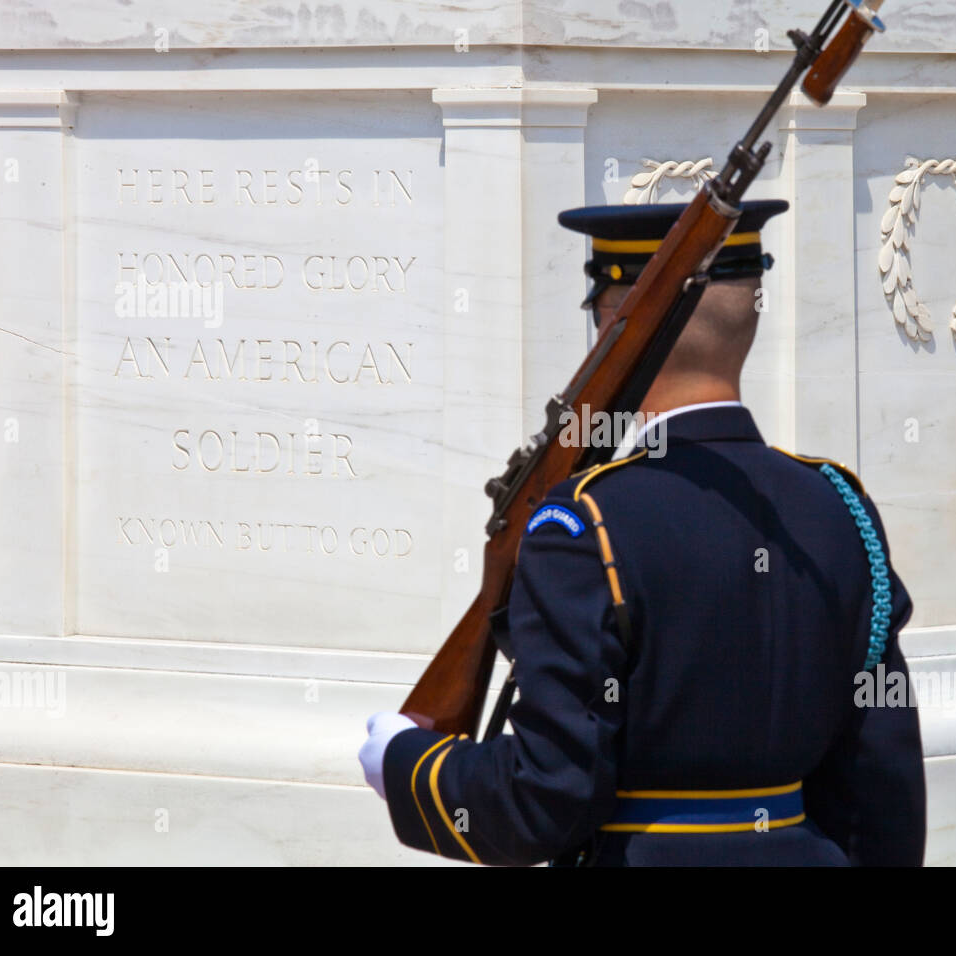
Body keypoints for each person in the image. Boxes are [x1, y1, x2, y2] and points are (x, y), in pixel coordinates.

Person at [358, 199, 926, 866]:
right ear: (750, 317)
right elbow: (882, 782)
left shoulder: (584, 525)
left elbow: (543, 798)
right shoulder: (839, 506)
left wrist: (405, 762)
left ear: (611, 324)